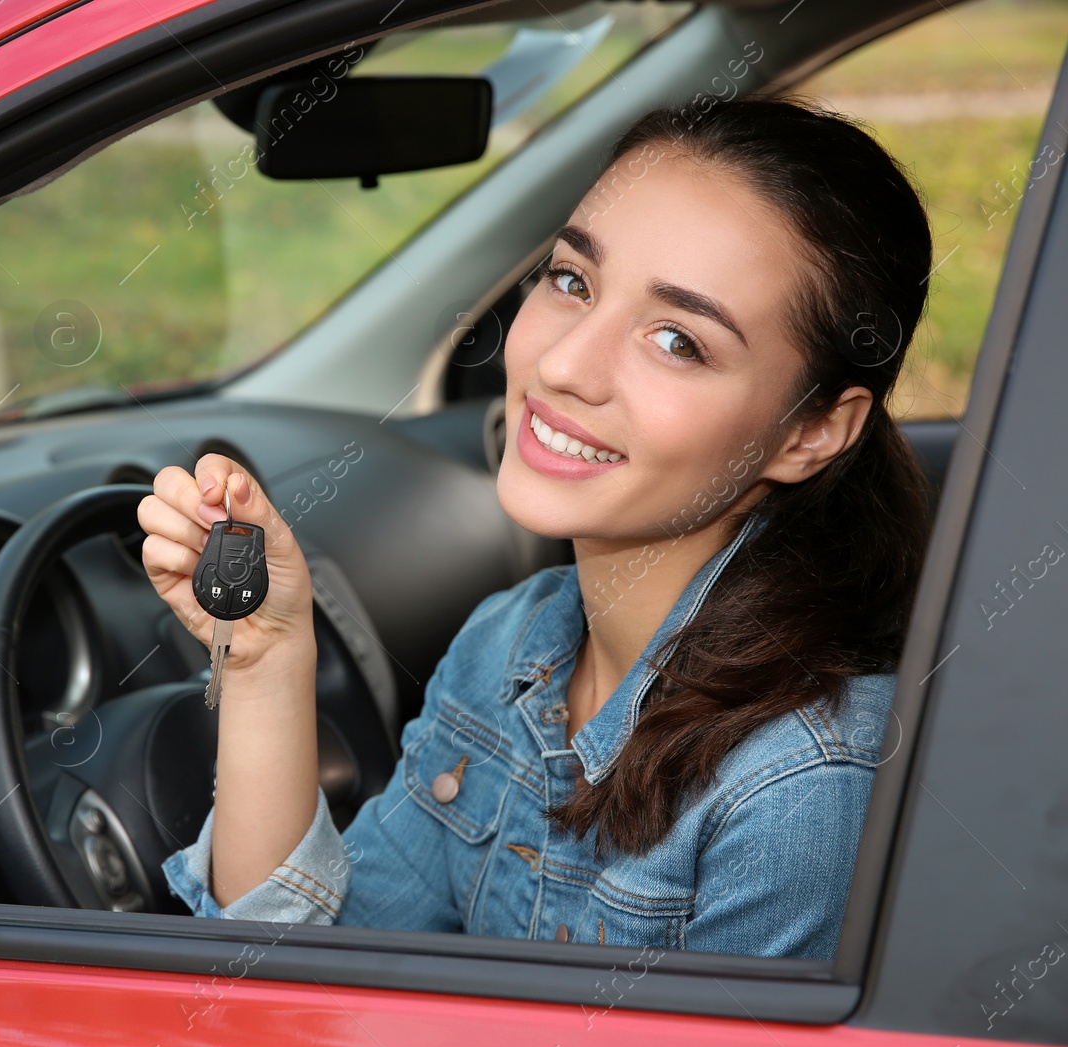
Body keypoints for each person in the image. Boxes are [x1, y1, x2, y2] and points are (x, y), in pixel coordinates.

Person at [135, 95, 933, 958]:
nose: (561, 364)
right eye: (572, 281)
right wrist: (265, 660)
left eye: (677, 341)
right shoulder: (507, 644)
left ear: (812, 430)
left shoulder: (806, 784)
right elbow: (301, 977)